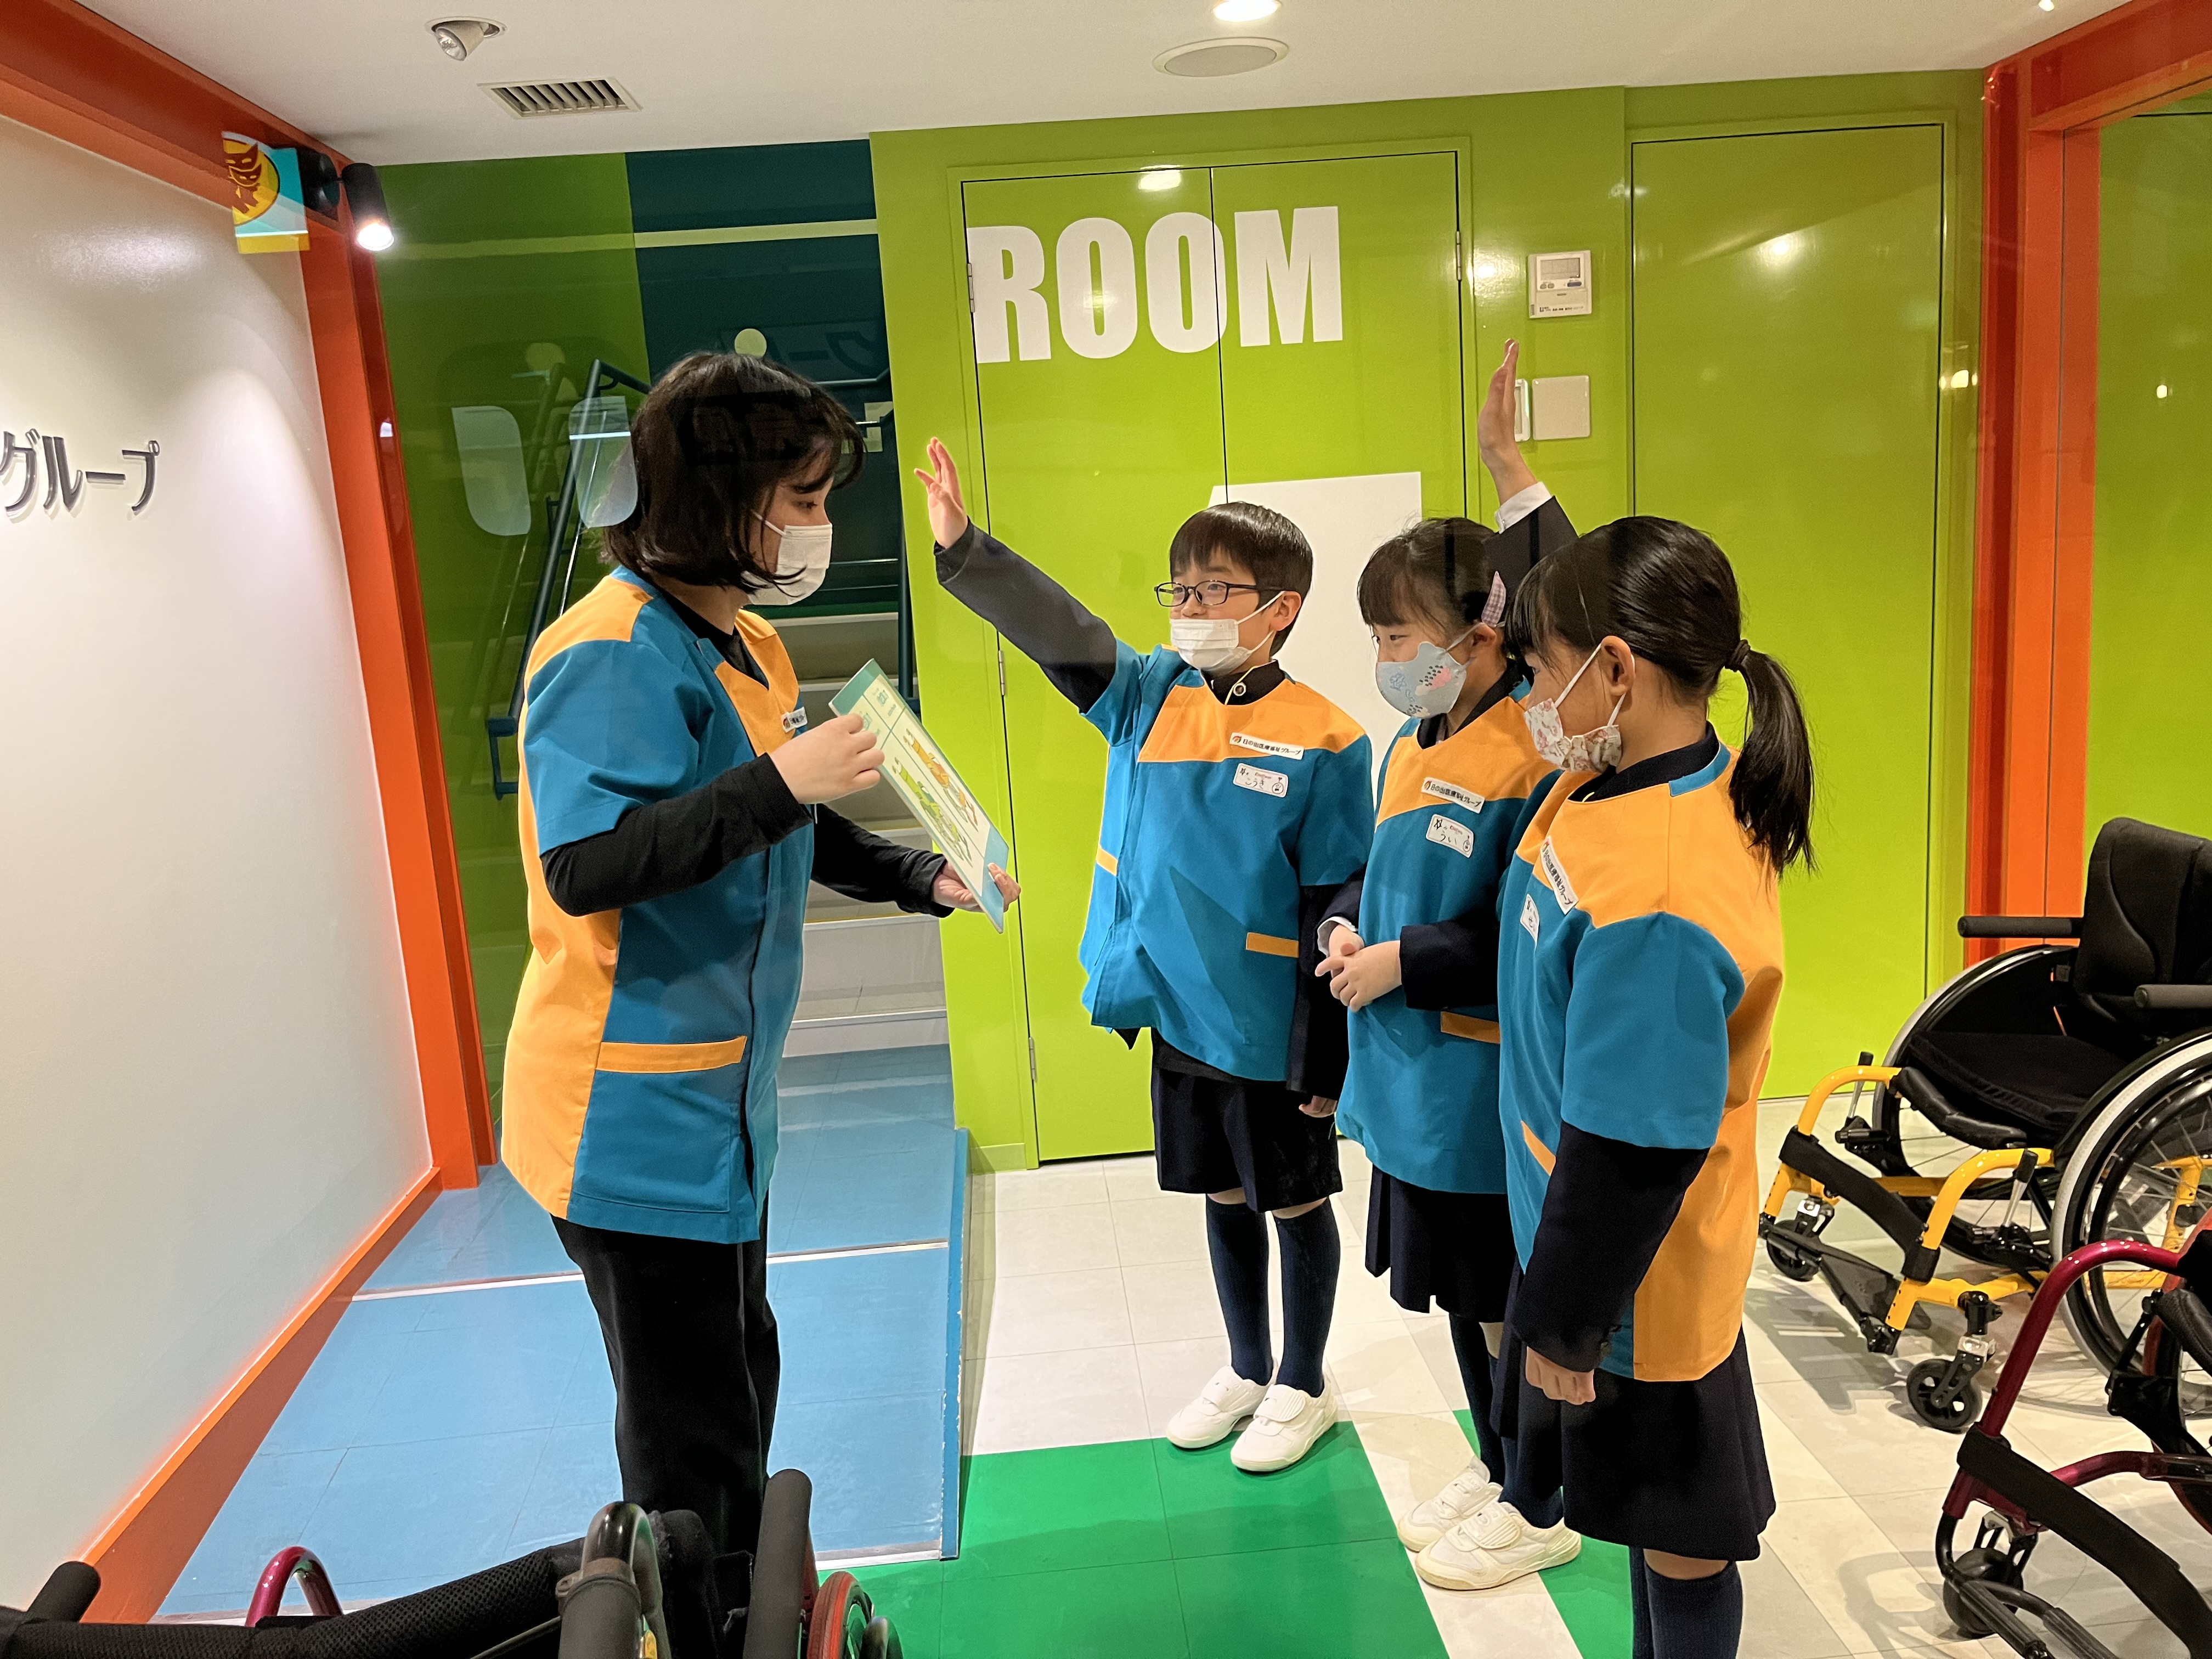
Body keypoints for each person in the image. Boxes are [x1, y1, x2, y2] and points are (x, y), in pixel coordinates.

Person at [502, 352, 1017, 1556]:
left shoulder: (745, 642)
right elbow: (587, 863)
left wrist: (914, 874)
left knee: (742, 1372)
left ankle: (742, 1599)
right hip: (629, 1116)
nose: (821, 526)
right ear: (716, 498)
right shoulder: (610, 649)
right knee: (690, 1438)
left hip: (723, 1108)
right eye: (805, 499)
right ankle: (707, 1614)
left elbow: (782, 817)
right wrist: (781, 781)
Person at [913, 440, 1372, 1473]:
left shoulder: (1330, 738)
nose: (1192, 607)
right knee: (1222, 1196)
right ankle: (1248, 1365)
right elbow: (1062, 632)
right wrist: (968, 548)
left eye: (1218, 590)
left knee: (1295, 1201)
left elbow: (1338, 898)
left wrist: (1326, 1057)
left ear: (1282, 609)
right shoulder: (1150, 693)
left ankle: (1305, 1382)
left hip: (1270, 1025)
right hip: (1175, 1005)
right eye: (1183, 588)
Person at [1485, 516, 1812, 1654]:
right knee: (1638, 1522)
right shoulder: (1615, 781)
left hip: (1637, 1277)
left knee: (1679, 1536)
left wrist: (1565, 1325)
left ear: (1615, 671)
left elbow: (1634, 1148)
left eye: (1539, 672)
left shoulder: (1661, 895)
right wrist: (1516, 482)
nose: (1531, 699)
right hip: (1584, 1240)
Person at [1316, 341, 1583, 1587]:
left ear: (1484, 631)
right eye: (1376, 633)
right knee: (1467, 1302)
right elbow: (1386, 872)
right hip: (1414, 1080)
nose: (1386, 653)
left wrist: (1405, 964)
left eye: (1399, 631)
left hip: (1484, 1083)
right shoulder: (1418, 736)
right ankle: (1501, 1459)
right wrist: (1349, 927)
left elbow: (1525, 930)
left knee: (1508, 1298)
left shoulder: (1535, 747)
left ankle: (1543, 1499)